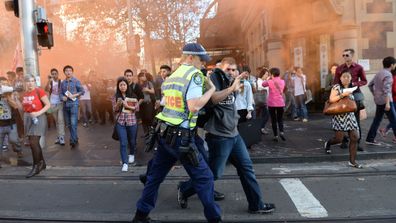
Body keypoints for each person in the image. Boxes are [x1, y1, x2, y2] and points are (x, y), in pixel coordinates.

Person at [131, 43, 221, 223]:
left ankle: (140, 216)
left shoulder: (172, 76)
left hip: (165, 135)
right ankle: (215, 219)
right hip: (182, 138)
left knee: (154, 177)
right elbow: (193, 106)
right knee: (205, 178)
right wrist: (211, 89)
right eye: (201, 59)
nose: (204, 63)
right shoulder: (194, 76)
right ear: (190, 57)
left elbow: (165, 104)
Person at [204, 57, 275, 214]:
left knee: (246, 168)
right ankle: (185, 189)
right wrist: (231, 88)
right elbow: (214, 99)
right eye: (227, 69)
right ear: (220, 69)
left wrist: (236, 83)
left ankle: (256, 205)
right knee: (214, 173)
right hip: (219, 135)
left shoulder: (234, 82)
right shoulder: (213, 80)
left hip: (234, 134)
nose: (231, 72)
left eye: (233, 69)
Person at [324, 72, 362, 168]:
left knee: (355, 137)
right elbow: (331, 99)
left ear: (350, 79)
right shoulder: (336, 87)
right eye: (344, 77)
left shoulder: (353, 88)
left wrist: (362, 109)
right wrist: (343, 95)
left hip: (351, 116)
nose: (346, 78)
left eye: (348, 77)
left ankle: (352, 161)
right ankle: (328, 143)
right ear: (340, 78)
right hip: (339, 116)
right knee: (339, 139)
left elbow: (358, 100)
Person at [333, 48, 367, 151]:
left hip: (355, 95)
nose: (344, 57)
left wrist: (354, 84)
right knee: (342, 119)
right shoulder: (339, 68)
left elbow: (364, 81)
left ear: (352, 56)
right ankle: (344, 141)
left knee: (355, 120)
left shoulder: (359, 68)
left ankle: (357, 143)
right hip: (342, 96)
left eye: (347, 55)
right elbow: (335, 82)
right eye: (343, 55)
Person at [22, 74, 50, 178]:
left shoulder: (39, 91)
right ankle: (42, 163)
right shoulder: (24, 94)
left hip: (39, 118)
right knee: (34, 142)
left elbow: (48, 105)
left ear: (35, 82)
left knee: (33, 142)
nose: (30, 83)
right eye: (28, 81)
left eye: (32, 81)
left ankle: (36, 167)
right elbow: (23, 108)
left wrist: (37, 113)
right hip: (28, 118)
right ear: (25, 83)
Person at [365, 56, 396, 145]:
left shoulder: (379, 73)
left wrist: (375, 94)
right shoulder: (388, 75)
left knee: (377, 120)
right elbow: (387, 90)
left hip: (379, 100)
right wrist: (387, 104)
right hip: (386, 101)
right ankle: (370, 138)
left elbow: (370, 85)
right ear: (392, 65)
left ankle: (370, 138)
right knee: (394, 120)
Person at [113, 77, 139, 172]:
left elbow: (137, 108)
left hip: (132, 122)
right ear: (118, 86)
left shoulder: (133, 95)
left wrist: (127, 106)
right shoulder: (116, 96)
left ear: (127, 86)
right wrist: (118, 105)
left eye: (124, 85)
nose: (122, 87)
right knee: (123, 143)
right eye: (120, 85)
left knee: (132, 141)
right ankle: (125, 163)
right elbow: (114, 110)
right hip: (121, 122)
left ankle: (131, 154)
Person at [60, 65, 84, 148]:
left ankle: (73, 140)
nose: (68, 72)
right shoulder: (62, 83)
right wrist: (62, 97)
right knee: (69, 124)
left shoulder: (76, 81)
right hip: (65, 105)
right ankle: (75, 137)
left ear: (72, 72)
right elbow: (60, 93)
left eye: (70, 70)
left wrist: (75, 95)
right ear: (64, 72)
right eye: (66, 70)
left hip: (74, 104)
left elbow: (82, 91)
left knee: (73, 123)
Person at [0, 77, 23, 159]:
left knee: (14, 140)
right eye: (2, 84)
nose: (3, 86)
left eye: (5, 84)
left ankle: (18, 150)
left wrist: (9, 97)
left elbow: (18, 107)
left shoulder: (12, 94)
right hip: (0, 124)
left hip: (11, 124)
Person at [262, 67, 286, 141]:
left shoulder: (270, 81)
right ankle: (281, 132)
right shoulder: (282, 81)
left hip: (272, 103)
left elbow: (263, 84)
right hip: (280, 103)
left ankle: (275, 136)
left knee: (273, 120)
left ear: (272, 74)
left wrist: (269, 78)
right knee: (280, 119)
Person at [45, 68, 65, 145]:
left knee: (60, 120)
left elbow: (65, 90)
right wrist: (48, 81)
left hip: (60, 103)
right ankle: (58, 136)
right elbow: (46, 89)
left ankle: (62, 137)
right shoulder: (50, 82)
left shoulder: (61, 81)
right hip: (52, 104)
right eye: (52, 74)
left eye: (55, 74)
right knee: (56, 121)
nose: (54, 75)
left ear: (58, 74)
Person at [379, 67, 396, 140]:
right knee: (394, 119)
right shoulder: (394, 77)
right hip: (394, 100)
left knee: (394, 119)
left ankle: (385, 130)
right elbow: (394, 90)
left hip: (392, 100)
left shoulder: (392, 77)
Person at [255, 68, 270, 134]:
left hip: (264, 101)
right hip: (261, 100)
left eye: (267, 74)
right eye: (266, 74)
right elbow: (260, 88)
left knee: (261, 115)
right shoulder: (259, 81)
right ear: (262, 74)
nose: (267, 75)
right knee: (266, 115)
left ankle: (260, 128)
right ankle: (261, 128)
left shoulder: (264, 81)